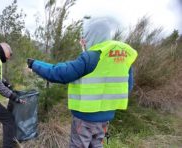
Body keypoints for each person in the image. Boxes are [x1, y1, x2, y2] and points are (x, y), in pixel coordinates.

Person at [27, 18, 138, 148]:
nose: (82, 42)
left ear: (91, 36)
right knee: (97, 145)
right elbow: (127, 87)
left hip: (85, 118)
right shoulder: (122, 58)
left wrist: (34, 64)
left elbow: (59, 73)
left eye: (83, 38)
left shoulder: (91, 57)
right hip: (105, 118)